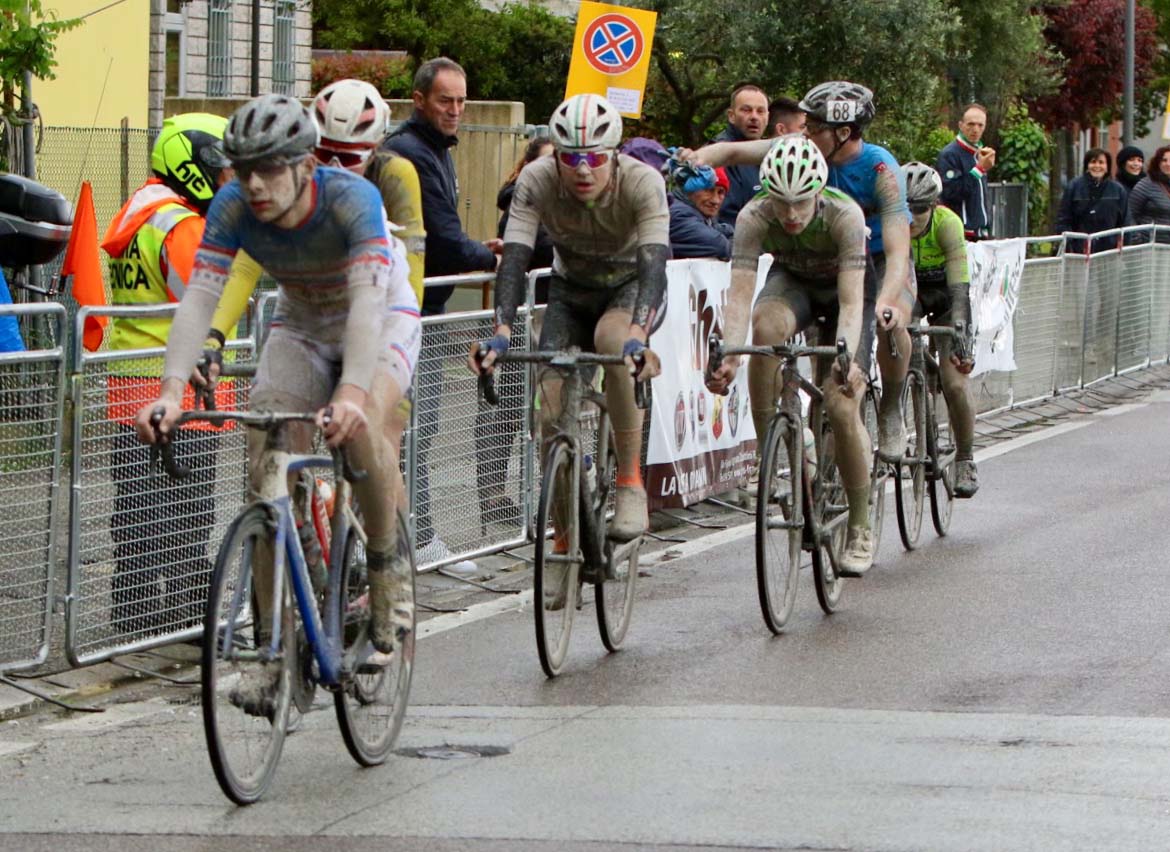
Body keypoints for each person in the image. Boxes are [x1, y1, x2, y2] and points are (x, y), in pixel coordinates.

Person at [134, 94, 420, 707]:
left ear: (305, 165)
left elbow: (370, 306)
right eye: (242, 169)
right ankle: (269, 650)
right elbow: (201, 297)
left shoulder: (352, 199)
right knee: (263, 464)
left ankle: (386, 568)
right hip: (302, 320)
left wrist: (348, 395)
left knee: (365, 419)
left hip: (380, 315)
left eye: (269, 169)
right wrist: (170, 391)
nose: (254, 185)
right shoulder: (234, 205)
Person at [470, 93, 666, 597]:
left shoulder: (642, 182)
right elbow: (513, 258)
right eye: (570, 157)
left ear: (614, 155)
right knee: (549, 412)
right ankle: (563, 539)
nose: (583, 170)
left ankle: (627, 480)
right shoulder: (536, 180)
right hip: (570, 291)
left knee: (611, 340)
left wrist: (639, 336)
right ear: (555, 155)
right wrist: (502, 330)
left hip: (628, 288)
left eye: (595, 158)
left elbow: (653, 269)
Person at [685, 81, 916, 464]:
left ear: (843, 133)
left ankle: (891, 409)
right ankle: (793, 430)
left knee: (893, 322)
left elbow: (897, 249)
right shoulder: (797, 153)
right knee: (781, 334)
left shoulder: (880, 169)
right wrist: (695, 158)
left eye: (814, 128)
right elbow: (731, 150)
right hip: (817, 263)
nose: (803, 133)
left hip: (873, 262)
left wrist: (891, 297)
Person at [100, 112, 258, 633]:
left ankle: (136, 612)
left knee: (137, 513)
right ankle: (191, 614)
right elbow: (204, 295)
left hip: (131, 388)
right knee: (186, 512)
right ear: (189, 165)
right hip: (179, 391)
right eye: (219, 169)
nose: (225, 181)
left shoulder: (139, 214)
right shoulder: (182, 225)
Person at [705, 135, 876, 575]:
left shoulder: (845, 216)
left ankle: (860, 523)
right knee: (763, 331)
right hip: (794, 282)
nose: (792, 214)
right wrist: (729, 354)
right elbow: (741, 296)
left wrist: (849, 357)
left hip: (846, 293)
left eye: (801, 202)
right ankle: (772, 449)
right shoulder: (753, 216)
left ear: (819, 190)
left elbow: (854, 303)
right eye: (781, 203)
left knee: (840, 403)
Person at [382, 57, 499, 571]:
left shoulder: (432, 150)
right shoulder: (411, 153)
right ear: (419, 100)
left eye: (461, 101)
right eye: (445, 101)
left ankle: (396, 536)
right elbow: (442, 243)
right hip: (406, 314)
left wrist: (476, 250)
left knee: (410, 431)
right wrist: (488, 257)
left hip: (416, 308)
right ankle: (417, 538)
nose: (455, 111)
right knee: (411, 430)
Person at [472, 135, 556, 530]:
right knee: (507, 409)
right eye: (548, 162)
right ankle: (494, 496)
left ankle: (549, 491)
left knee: (547, 408)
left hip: (554, 314)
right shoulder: (519, 207)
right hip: (525, 315)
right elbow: (534, 250)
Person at [313, 78, 426, 307]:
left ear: (374, 150)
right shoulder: (297, 169)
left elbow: (413, 257)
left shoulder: (394, 175)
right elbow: (247, 265)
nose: (334, 168)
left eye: (348, 158)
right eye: (323, 155)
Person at [903, 162, 979, 498]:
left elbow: (960, 289)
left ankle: (965, 458)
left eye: (920, 209)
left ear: (933, 206)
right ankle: (923, 371)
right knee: (902, 343)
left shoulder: (947, 224)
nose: (914, 217)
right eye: (908, 209)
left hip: (947, 296)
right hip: (911, 292)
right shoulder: (891, 223)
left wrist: (960, 337)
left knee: (955, 384)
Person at [713, 84, 769, 227]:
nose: (754, 117)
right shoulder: (720, 155)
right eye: (746, 110)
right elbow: (726, 217)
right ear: (731, 116)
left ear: (768, 117)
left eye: (760, 111)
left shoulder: (772, 153)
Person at [936, 103, 994, 241]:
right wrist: (978, 170)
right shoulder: (950, 154)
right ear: (960, 125)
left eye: (981, 125)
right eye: (971, 124)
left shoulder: (980, 153)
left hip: (982, 233)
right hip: (962, 234)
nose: (975, 129)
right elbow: (951, 193)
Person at [1054, 148, 1127, 255]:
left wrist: (1123, 247)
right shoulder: (1073, 187)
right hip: (1079, 252)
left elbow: (1124, 222)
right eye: (1093, 162)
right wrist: (1069, 244)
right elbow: (1064, 219)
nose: (1097, 166)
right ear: (1087, 166)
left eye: (1101, 162)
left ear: (1107, 167)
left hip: (1109, 253)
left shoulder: (1118, 190)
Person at [666, 160, 734, 259]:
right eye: (708, 190)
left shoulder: (703, 216)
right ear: (689, 189)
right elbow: (720, 246)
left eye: (721, 192)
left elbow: (726, 232)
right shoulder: (678, 214)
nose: (715, 200)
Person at [1125, 146, 1170, 240]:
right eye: (1164, 160)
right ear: (1157, 163)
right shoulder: (1145, 185)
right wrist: (1138, 238)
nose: (1168, 164)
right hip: (1151, 247)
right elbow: (1130, 215)